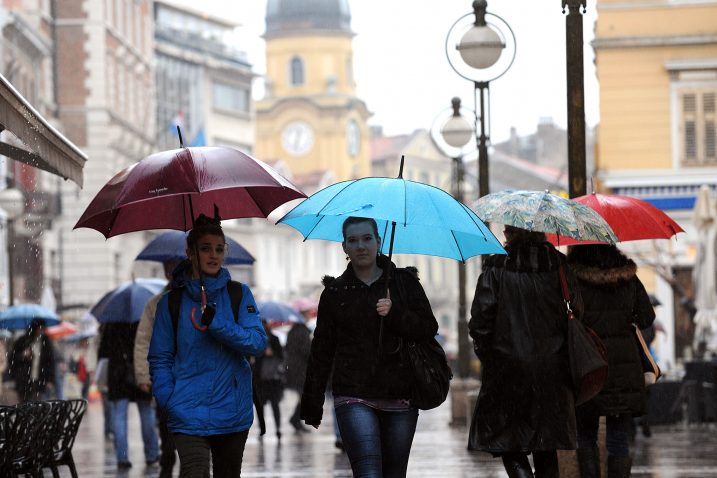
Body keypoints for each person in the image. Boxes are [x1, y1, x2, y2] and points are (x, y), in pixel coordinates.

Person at [301, 216, 439, 478]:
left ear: (379, 241)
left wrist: (395, 313)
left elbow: (428, 328)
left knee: (394, 474)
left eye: (367, 239)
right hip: (354, 394)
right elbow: (321, 350)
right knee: (368, 473)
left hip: (400, 394)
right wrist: (312, 402)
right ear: (344, 247)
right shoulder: (335, 293)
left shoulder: (403, 283)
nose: (361, 246)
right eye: (353, 240)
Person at [149, 213, 267, 478]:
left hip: (232, 412)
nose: (213, 255)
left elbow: (257, 343)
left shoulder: (239, 294)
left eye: (219, 249)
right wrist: (170, 399)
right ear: (190, 252)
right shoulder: (171, 303)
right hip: (187, 411)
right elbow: (160, 358)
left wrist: (218, 324)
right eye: (205, 249)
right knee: (194, 473)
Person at [468, 225, 580, 478]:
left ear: (511, 233)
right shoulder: (558, 264)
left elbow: (481, 319)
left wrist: (491, 357)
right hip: (553, 369)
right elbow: (576, 311)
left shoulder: (497, 265)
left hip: (507, 367)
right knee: (546, 444)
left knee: (509, 441)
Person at [567, 244, 655, 478]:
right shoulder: (628, 277)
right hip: (623, 367)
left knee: (585, 434)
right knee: (618, 437)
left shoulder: (573, 278)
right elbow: (647, 317)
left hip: (588, 365)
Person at [134, 259, 181, 478]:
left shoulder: (200, 297)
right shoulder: (155, 303)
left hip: (193, 375)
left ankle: (194, 467)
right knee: (166, 425)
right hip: (166, 376)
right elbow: (143, 340)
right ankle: (167, 463)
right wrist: (143, 374)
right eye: (169, 269)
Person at [98, 320, 160, 470]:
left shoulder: (111, 323)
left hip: (118, 375)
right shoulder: (142, 320)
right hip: (140, 371)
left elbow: (103, 352)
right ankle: (151, 455)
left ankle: (123, 457)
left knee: (120, 417)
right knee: (146, 412)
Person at [10, 319, 56, 402]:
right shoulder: (22, 341)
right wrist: (23, 355)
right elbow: (12, 359)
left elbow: (50, 362)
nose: (41, 331)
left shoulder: (46, 343)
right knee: (24, 405)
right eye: (39, 328)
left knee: (38, 405)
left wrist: (50, 380)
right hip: (24, 379)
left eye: (43, 329)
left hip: (40, 379)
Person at [255, 320, 285, 439]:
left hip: (273, 378)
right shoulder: (257, 339)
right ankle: (263, 429)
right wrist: (262, 353)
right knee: (261, 406)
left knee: (274, 405)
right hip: (261, 379)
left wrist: (272, 352)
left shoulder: (274, 339)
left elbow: (281, 356)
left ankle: (277, 428)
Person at [285, 316, 312, 432]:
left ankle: (296, 419)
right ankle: (295, 419)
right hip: (301, 369)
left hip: (293, 369)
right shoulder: (303, 332)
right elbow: (307, 351)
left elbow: (288, 349)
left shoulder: (291, 331)